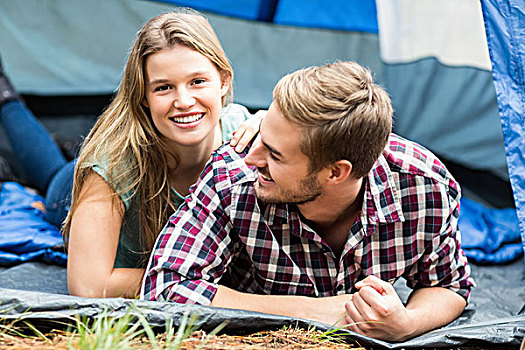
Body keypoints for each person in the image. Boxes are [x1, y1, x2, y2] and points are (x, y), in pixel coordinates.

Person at [141, 61, 475, 341]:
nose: (251, 157)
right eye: (262, 135)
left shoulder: (422, 187)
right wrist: (323, 312)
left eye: (274, 154)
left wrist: (407, 324)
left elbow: (449, 285)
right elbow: (166, 289)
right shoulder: (232, 177)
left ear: (335, 173)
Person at [0, 10, 259, 299]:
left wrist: (275, 125)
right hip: (69, 190)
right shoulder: (113, 166)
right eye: (164, 87)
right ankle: (5, 98)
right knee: (52, 178)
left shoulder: (244, 133)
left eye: (197, 81)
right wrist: (187, 281)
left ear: (223, 81)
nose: (184, 101)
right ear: (143, 96)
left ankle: (67, 144)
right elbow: (88, 285)